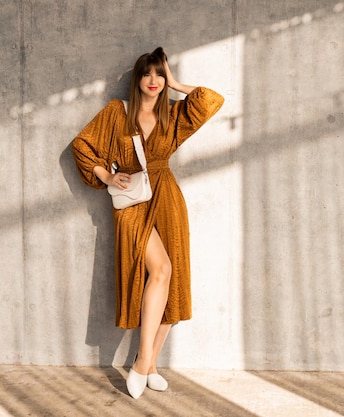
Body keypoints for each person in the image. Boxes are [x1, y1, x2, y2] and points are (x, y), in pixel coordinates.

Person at [72, 47, 224, 399]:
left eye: (159, 75)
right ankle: (143, 365)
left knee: (172, 277)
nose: (154, 81)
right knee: (161, 269)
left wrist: (176, 82)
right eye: (148, 74)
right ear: (137, 79)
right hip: (132, 201)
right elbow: (82, 146)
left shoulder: (173, 115)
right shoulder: (117, 113)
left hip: (167, 197)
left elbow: (211, 100)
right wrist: (106, 178)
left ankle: (148, 363)